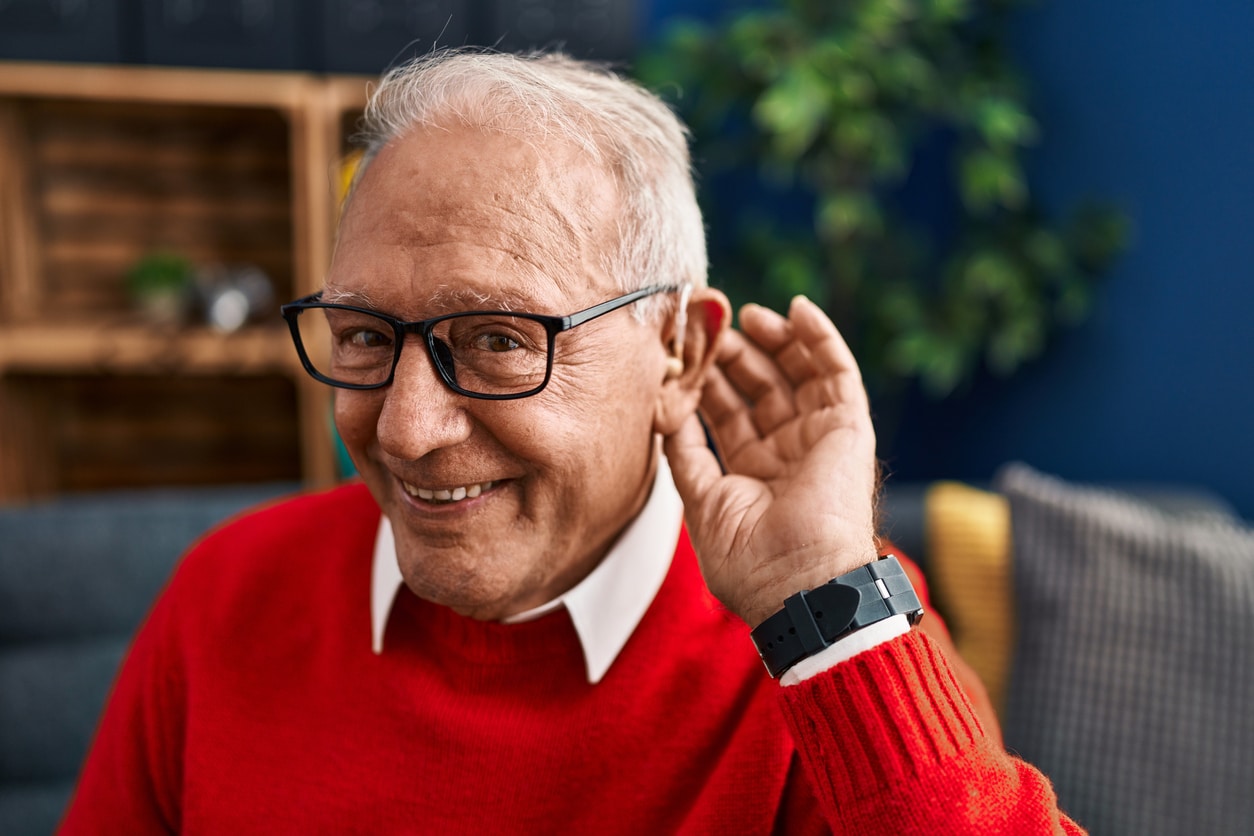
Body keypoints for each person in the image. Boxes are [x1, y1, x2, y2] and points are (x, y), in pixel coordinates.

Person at [60, 50, 1079, 834]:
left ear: (679, 348)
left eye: (501, 339)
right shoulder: (225, 595)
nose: (408, 429)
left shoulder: (828, 637)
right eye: (366, 336)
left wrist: (825, 606)